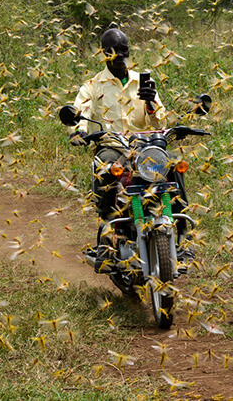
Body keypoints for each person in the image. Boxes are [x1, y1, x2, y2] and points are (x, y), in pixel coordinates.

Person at [68, 28, 193, 272]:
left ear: (128, 51)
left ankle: (182, 237)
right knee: (105, 168)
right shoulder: (93, 86)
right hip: (113, 147)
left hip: (146, 147)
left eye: (123, 50)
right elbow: (79, 113)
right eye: (112, 51)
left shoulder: (144, 82)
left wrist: (150, 103)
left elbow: (160, 123)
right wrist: (79, 131)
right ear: (103, 54)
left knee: (174, 167)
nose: (118, 56)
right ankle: (107, 238)